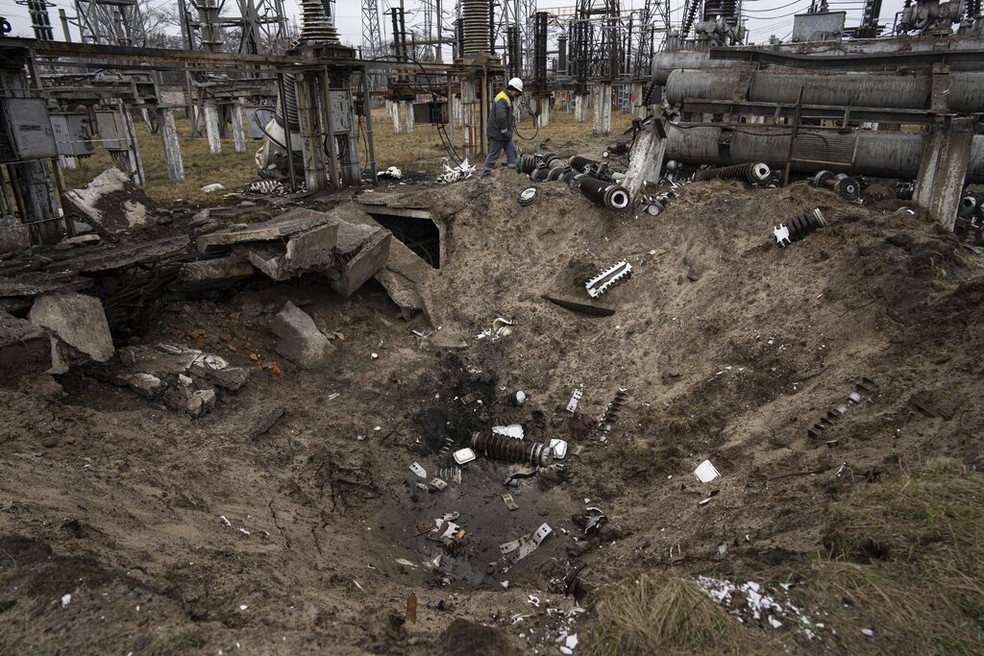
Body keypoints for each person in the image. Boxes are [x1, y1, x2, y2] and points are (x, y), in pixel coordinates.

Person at [480, 77, 523, 178]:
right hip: (498, 133)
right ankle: (485, 174)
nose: (517, 94)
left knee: (511, 151)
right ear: (512, 89)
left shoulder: (506, 98)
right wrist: (504, 131)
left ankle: (512, 173)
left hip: (504, 134)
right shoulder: (502, 98)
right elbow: (500, 117)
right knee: (494, 154)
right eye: (517, 92)